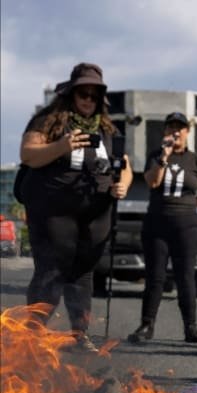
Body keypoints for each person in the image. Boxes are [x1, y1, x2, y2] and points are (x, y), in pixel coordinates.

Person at [18, 62, 132, 352]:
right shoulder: (49, 121)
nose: (88, 100)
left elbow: (125, 166)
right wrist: (62, 146)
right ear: (71, 93)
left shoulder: (108, 128)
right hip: (54, 209)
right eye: (83, 93)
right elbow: (28, 154)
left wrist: (124, 184)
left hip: (95, 212)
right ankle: (33, 334)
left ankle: (79, 334)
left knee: (83, 271)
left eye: (94, 96)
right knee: (51, 270)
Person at [127, 112, 197, 344]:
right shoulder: (156, 156)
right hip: (157, 222)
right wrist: (164, 157)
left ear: (187, 132)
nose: (176, 132)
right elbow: (153, 182)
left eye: (180, 128)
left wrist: (187, 207)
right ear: (165, 131)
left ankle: (191, 327)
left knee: (185, 276)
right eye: (171, 127)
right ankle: (147, 325)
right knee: (155, 276)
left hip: (186, 225)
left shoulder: (196, 160)